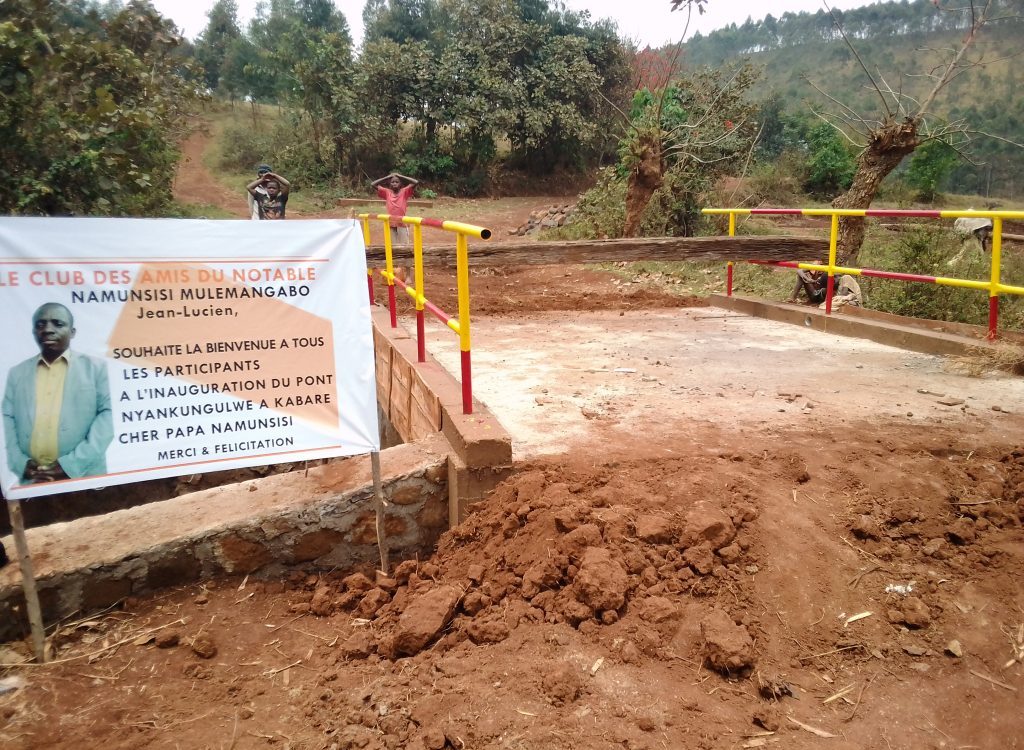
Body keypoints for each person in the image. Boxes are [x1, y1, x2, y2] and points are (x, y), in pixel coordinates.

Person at [2, 303, 113, 484]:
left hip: (83, 475)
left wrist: (70, 464)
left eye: (58, 324)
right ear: (33, 332)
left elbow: (109, 416)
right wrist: (21, 464)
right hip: (31, 479)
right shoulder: (17, 373)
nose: (47, 330)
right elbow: (6, 417)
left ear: (73, 332)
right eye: (40, 325)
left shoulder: (96, 368)